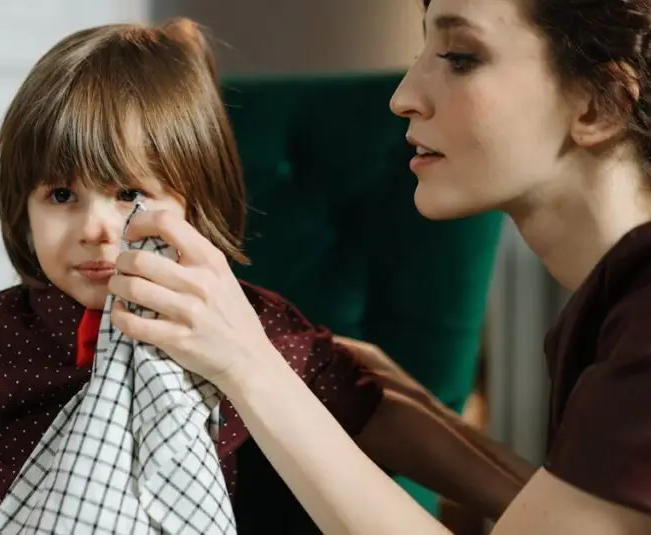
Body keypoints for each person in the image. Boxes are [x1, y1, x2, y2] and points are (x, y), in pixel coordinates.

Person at [0, 17, 532, 535]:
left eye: (129, 194)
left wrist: (524, 500)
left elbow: (367, 409)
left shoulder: (234, 322)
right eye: (60, 195)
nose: (95, 228)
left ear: (192, 203)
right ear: (20, 206)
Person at [105, 0, 651, 533]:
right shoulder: (611, 310)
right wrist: (424, 412)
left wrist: (249, 364)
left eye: (460, 56)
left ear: (597, 106)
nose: (403, 97)